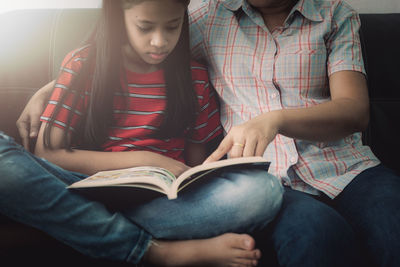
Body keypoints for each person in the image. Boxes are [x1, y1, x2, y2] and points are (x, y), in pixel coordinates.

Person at [15, 0, 400, 266]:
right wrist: (51, 89)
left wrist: (275, 120)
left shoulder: (336, 15)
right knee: (317, 235)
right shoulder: (208, 14)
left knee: (389, 223)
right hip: (269, 179)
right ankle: (149, 243)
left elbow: (354, 111)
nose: (161, 39)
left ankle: (94, 223)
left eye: (171, 29)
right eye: (151, 30)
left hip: (344, 168)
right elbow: (129, 36)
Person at [0, 0, 285, 266]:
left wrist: (192, 176)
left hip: (163, 204)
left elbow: (197, 166)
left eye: (172, 26)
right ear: (118, 18)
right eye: (145, 27)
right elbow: (48, 153)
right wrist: (150, 160)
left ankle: (79, 226)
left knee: (264, 191)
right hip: (87, 190)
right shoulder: (83, 66)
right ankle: (160, 252)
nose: (160, 41)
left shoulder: (194, 78)